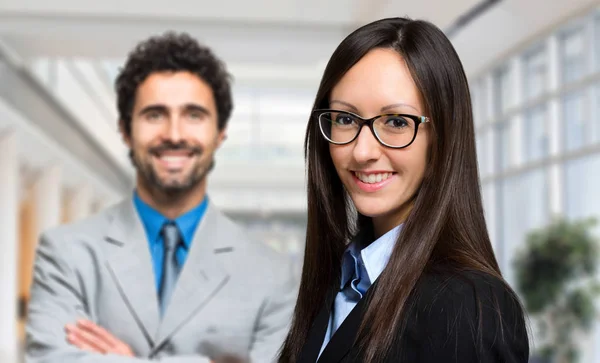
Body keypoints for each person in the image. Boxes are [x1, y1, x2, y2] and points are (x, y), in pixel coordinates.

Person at [25, 32, 296, 363]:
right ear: (125, 130)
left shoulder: (272, 274)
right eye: (155, 114)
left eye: (194, 115)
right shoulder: (65, 253)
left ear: (220, 132)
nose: (174, 134)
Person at [278, 17, 529, 363]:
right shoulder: (342, 280)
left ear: (442, 137)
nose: (363, 151)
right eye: (346, 119)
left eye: (396, 122)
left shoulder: (465, 307)